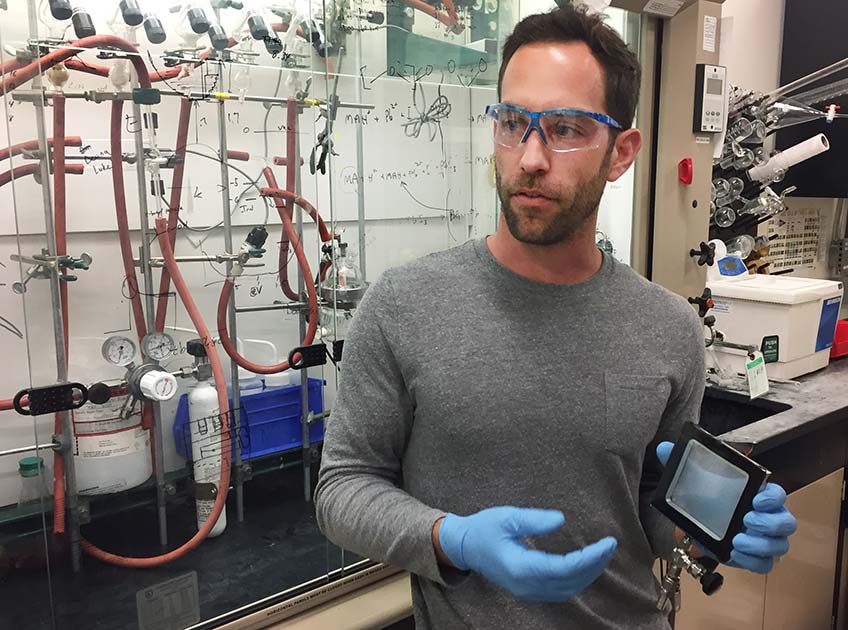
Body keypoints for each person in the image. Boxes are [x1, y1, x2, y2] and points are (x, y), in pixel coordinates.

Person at [314, 5, 796, 629]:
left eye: (566, 128)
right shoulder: (405, 304)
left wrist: (712, 529)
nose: (530, 158)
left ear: (622, 152)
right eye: (513, 123)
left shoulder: (669, 327)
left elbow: (652, 504)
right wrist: (450, 538)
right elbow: (343, 488)